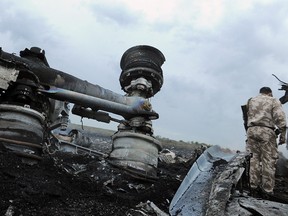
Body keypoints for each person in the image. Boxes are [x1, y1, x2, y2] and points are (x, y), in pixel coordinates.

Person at [245, 87, 286, 197]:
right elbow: (280, 118)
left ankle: (253, 187)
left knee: (253, 159)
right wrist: (283, 134)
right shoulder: (273, 100)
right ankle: (267, 190)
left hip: (251, 130)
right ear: (270, 93)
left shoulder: (251, 100)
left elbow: (246, 116)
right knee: (268, 160)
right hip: (266, 131)